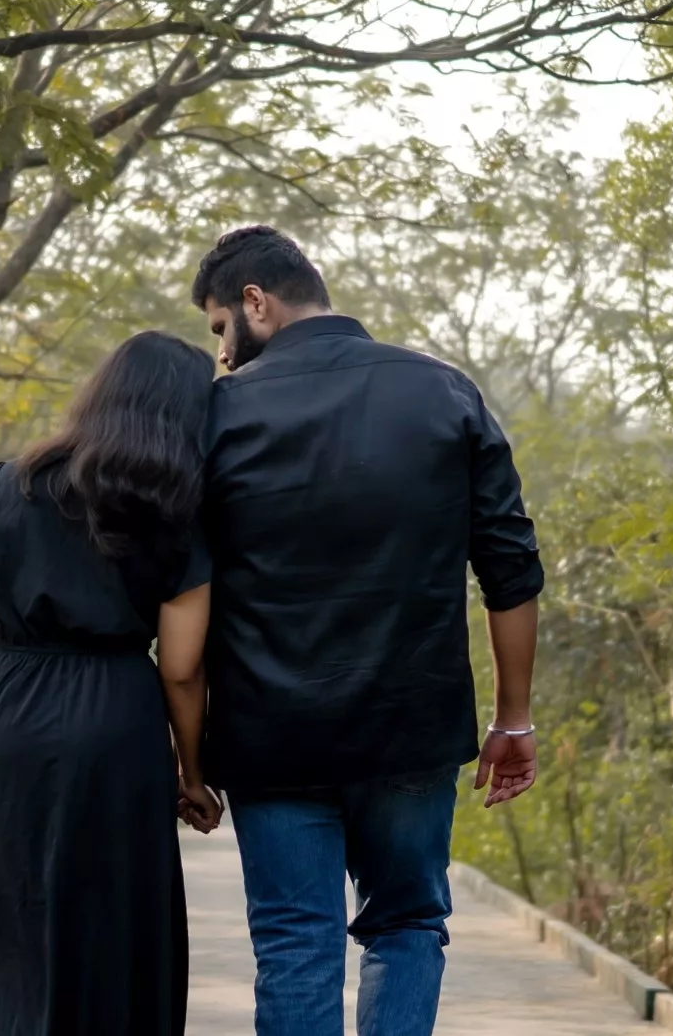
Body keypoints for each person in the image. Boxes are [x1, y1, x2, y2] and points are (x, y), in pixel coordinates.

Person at [189, 225, 543, 1036]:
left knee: (294, 941)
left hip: (270, 737)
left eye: (220, 327)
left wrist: (187, 744)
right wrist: (513, 717)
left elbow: (185, 593)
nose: (222, 354)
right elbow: (511, 567)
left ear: (256, 301)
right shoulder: (444, 391)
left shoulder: (219, 415)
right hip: (411, 726)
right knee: (407, 923)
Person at [0, 330, 223, 1036]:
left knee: (11, 910)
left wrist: (30, 656)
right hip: (118, 713)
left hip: (11, 708)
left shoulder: (9, 483)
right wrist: (193, 774)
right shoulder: (178, 512)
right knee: (113, 917)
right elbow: (182, 666)